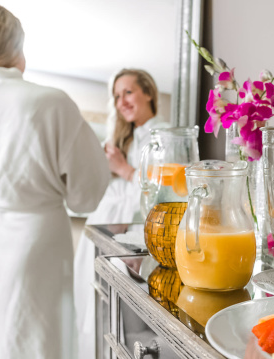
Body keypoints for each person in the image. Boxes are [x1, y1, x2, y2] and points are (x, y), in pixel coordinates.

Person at [0, 5, 110, 359]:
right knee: (40, 339)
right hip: (40, 238)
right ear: (15, 46)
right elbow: (86, 197)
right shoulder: (52, 103)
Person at [74, 68, 169, 358]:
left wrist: (124, 170)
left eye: (128, 92)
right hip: (116, 231)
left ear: (149, 93)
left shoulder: (164, 134)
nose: (121, 101)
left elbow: (165, 188)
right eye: (116, 96)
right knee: (95, 292)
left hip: (139, 236)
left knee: (121, 308)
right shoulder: (131, 139)